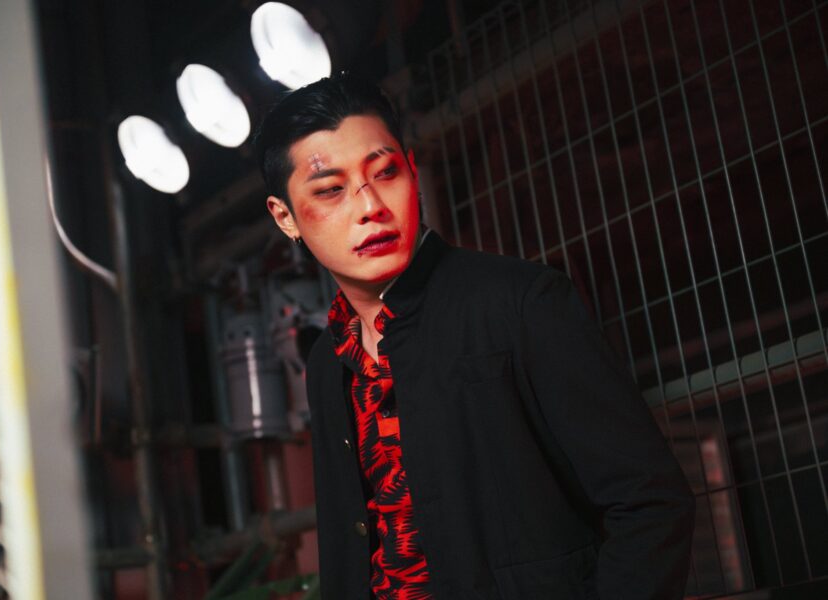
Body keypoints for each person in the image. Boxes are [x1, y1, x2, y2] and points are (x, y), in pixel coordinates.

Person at [256, 74, 695, 600]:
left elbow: (651, 504)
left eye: (386, 172)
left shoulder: (521, 302)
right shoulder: (328, 362)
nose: (370, 206)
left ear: (413, 171)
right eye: (331, 189)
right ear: (285, 217)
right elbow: (348, 548)